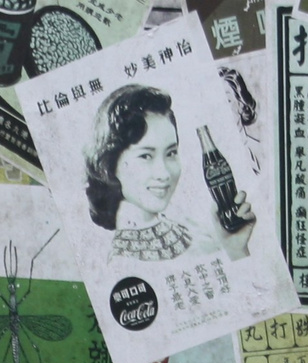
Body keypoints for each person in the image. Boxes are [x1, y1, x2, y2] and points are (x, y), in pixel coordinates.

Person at [86, 84, 216, 263]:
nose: (163, 173)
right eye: (146, 156)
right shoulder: (122, 261)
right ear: (111, 163)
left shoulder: (194, 231)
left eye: (171, 153)